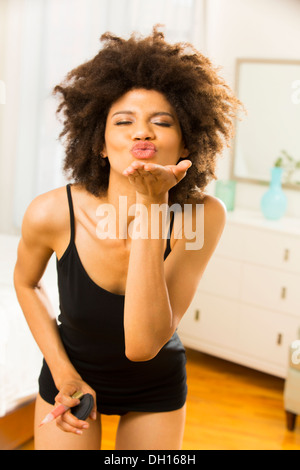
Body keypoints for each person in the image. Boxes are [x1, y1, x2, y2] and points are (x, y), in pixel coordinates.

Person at [13, 27, 241, 450]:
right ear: (99, 143)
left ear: (186, 142)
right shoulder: (51, 213)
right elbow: (25, 283)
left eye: (162, 122)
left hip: (155, 385)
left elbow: (141, 344)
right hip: (71, 376)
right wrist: (64, 374)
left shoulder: (202, 215)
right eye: (124, 121)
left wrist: (154, 205)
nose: (142, 133)